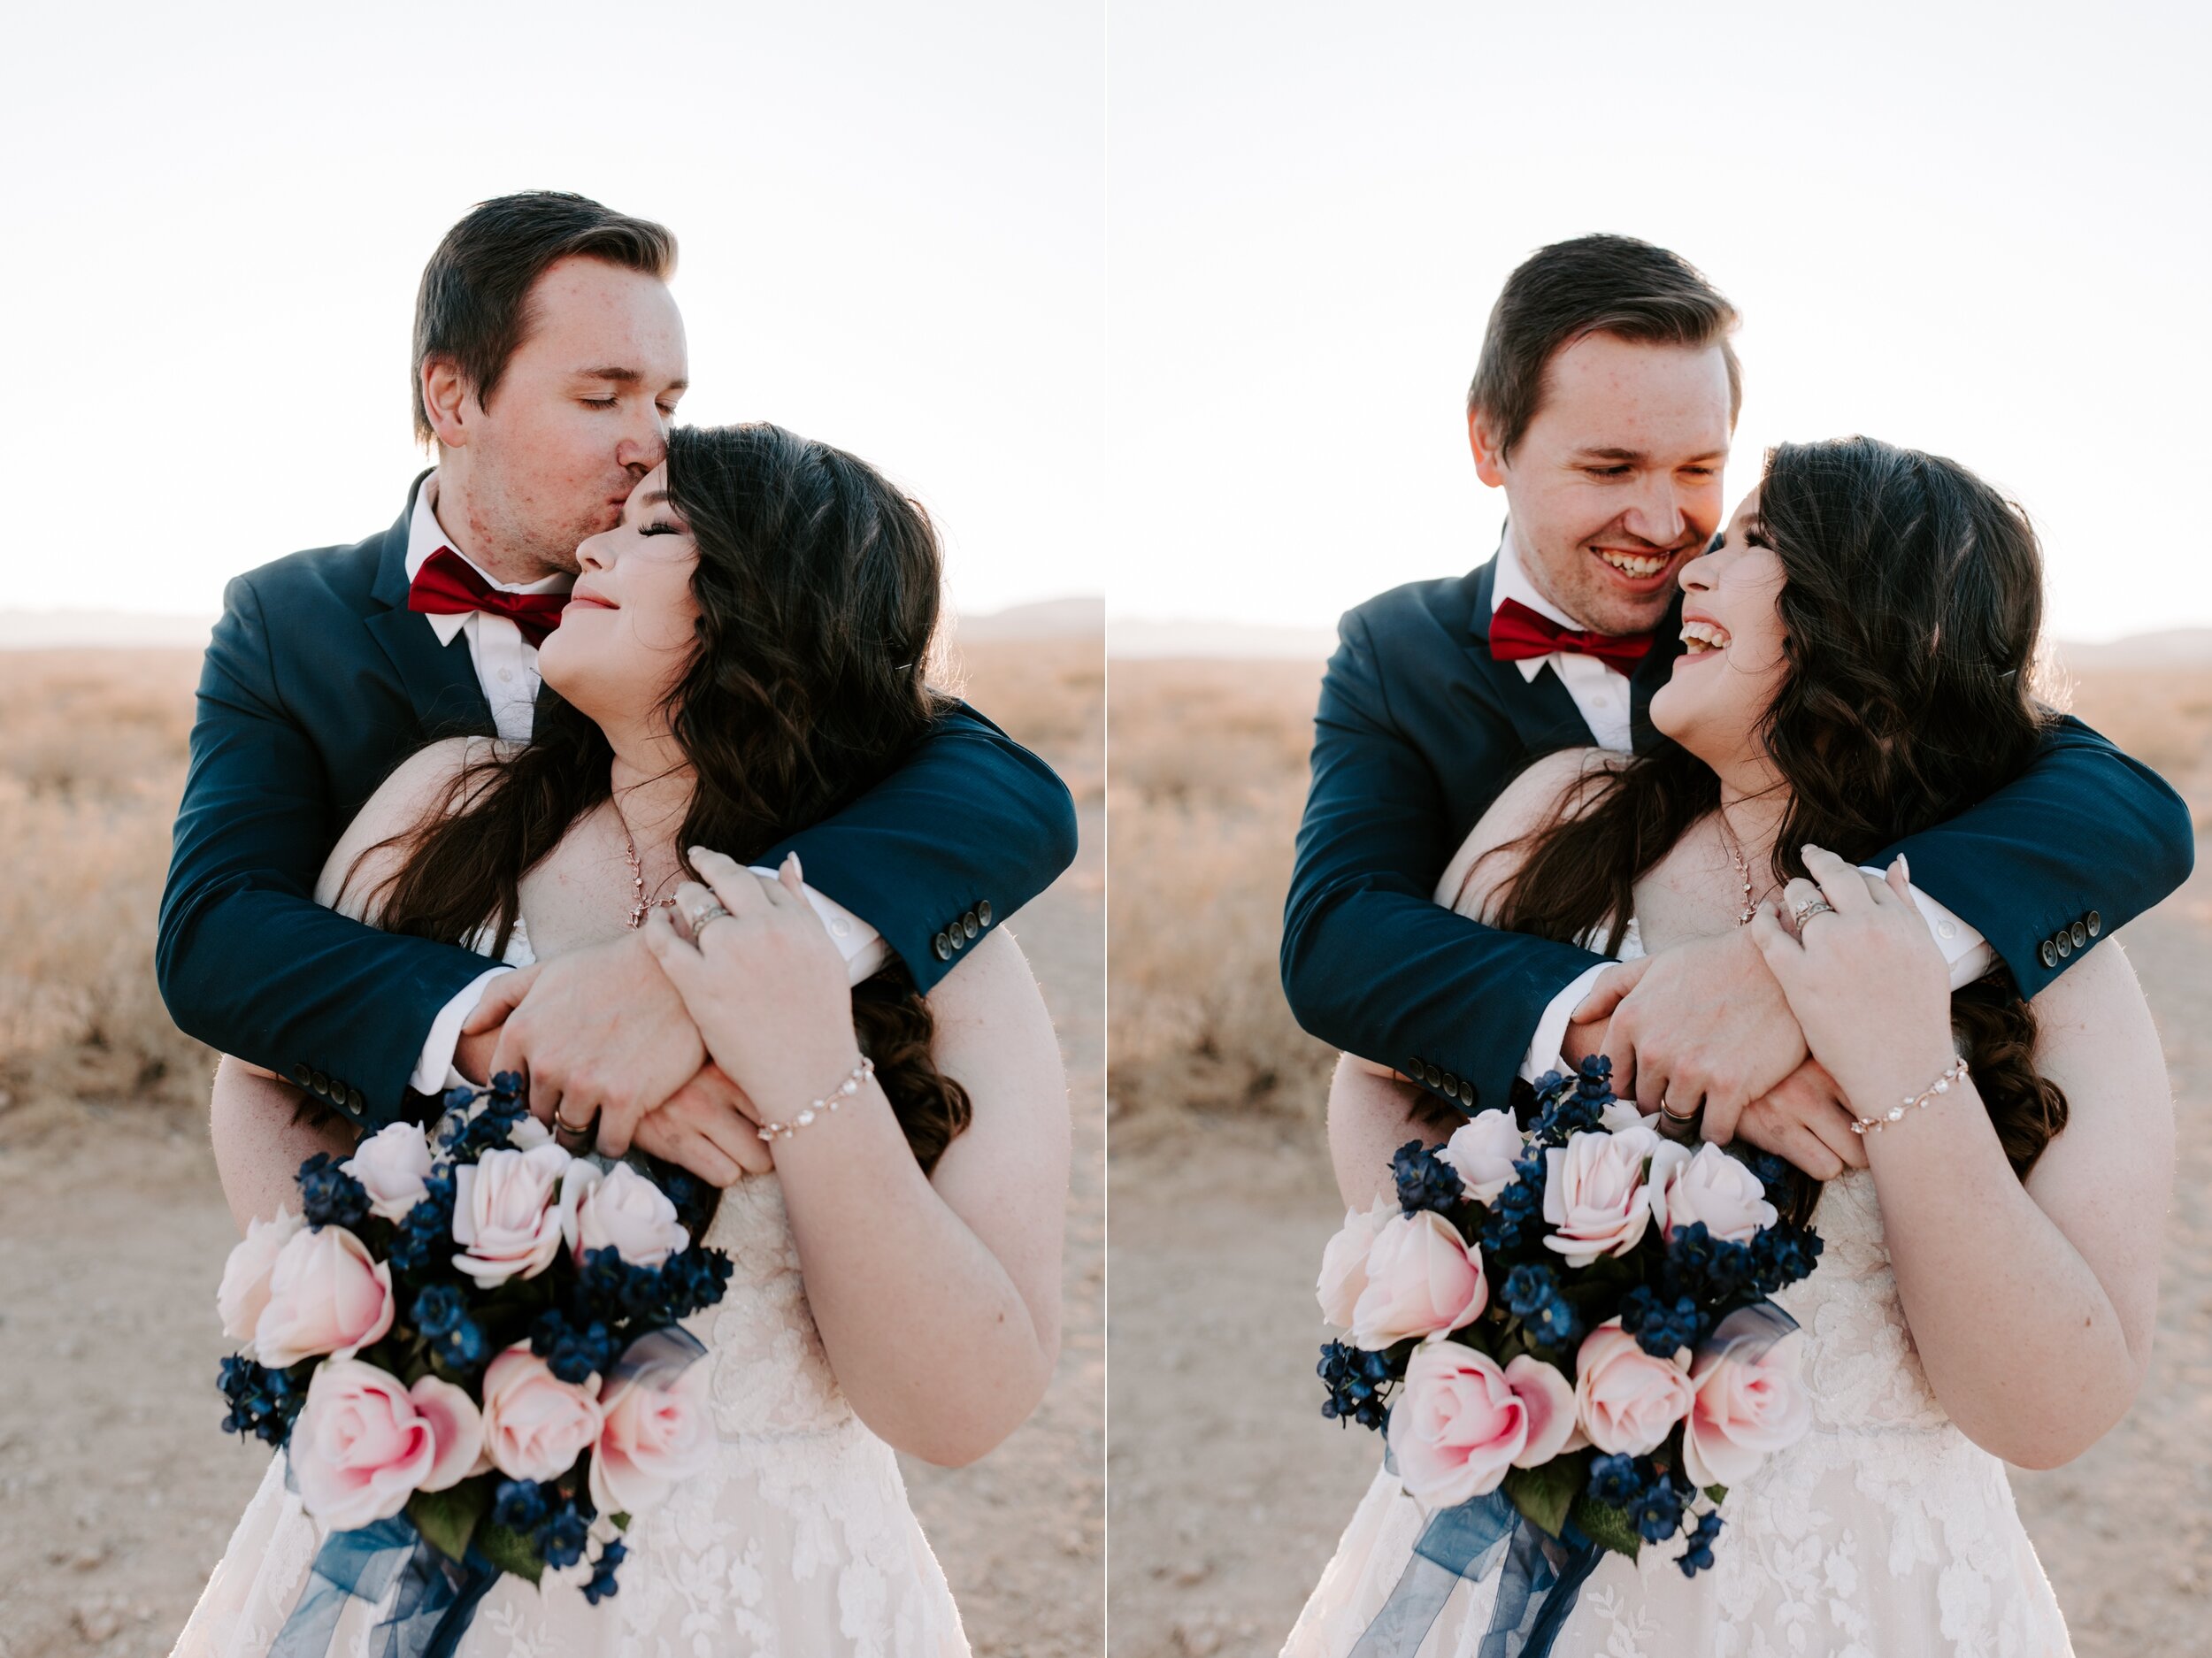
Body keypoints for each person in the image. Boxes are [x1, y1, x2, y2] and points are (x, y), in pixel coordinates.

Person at [172, 422, 1071, 1654]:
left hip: (773, 1587)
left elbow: (964, 1409)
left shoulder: (930, 948)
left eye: (652, 528)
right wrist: (367, 1336)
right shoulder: (447, 807)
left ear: (769, 600)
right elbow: (269, 1077)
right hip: (416, 1523)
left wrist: (809, 1069)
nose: (590, 542)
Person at [1285, 437, 2173, 1654]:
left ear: (1869, 612)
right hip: (1532, 1533)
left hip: (1870, 1595)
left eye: (1752, 541)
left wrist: (1903, 1061)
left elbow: (2052, 1407)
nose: (1696, 568)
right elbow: (1380, 1079)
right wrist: (1477, 1291)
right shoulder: (1564, 816)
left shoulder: (2038, 950)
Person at [159, 192, 1077, 1191]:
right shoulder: (286, 620)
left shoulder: (703, 596)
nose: (651, 441)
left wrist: (685, 980)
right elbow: (220, 928)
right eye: (603, 399)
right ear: (453, 399)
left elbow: (1005, 790)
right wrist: (526, 1040)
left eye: (667, 403)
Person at [1280, 235, 2191, 1179]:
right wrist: (1625, 1034)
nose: (1665, 526)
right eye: (1608, 469)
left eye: (1695, 468)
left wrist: (1792, 974)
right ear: (1487, 443)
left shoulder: (1759, 611)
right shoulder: (1394, 649)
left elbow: (2122, 805)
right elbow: (1339, 933)